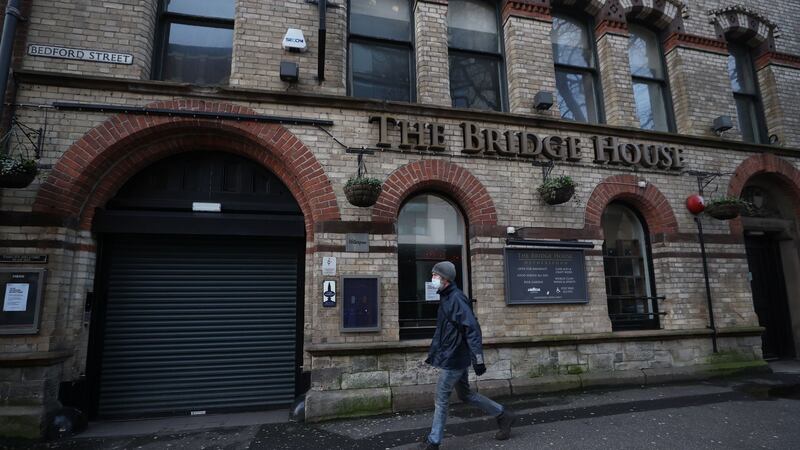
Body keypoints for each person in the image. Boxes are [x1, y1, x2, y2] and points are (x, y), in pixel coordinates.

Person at [419, 261, 516, 449]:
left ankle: (434, 441)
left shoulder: (456, 298)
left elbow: (472, 329)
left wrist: (478, 359)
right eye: (433, 275)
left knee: (441, 398)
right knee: (466, 395)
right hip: (454, 354)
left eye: (436, 276)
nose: (433, 278)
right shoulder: (447, 297)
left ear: (445, 279)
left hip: (454, 357)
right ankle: (503, 415)